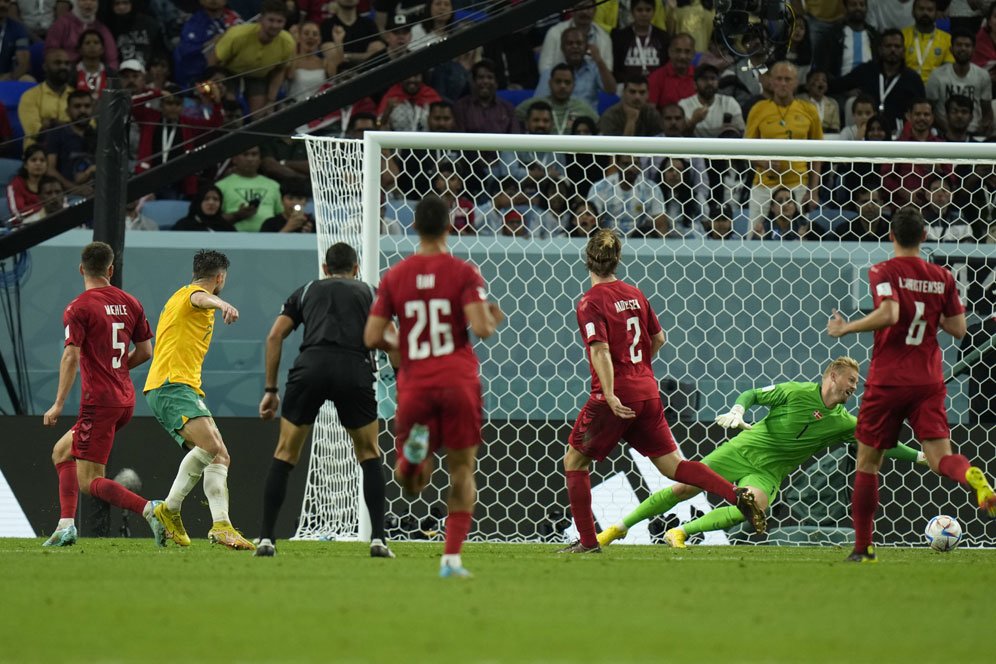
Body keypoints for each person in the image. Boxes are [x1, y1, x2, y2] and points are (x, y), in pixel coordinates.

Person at [560, 229, 766, 554]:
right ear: (617, 260)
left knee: (574, 460)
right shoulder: (634, 294)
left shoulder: (590, 302)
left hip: (615, 397)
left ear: (587, 259)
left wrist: (613, 392)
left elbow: (599, 350)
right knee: (674, 467)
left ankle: (588, 543)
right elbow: (659, 339)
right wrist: (637, 370)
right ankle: (735, 494)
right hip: (647, 391)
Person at [598, 357, 928, 548]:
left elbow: (880, 442)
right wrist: (738, 411)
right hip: (743, 448)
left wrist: (919, 457)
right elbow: (752, 393)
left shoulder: (844, 422)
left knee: (752, 506)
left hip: (770, 471)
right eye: (852, 380)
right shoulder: (796, 391)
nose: (855, 387)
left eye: (858, 382)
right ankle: (618, 528)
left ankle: (681, 532)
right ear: (832, 376)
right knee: (684, 487)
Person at [827, 208, 996, 562]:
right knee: (941, 459)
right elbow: (959, 329)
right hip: (928, 380)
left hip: (888, 380)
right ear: (923, 237)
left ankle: (862, 547)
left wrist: (847, 328)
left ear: (892, 236)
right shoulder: (942, 277)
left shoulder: (883, 271)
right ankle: (970, 476)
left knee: (867, 463)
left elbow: (889, 313)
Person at [363, 194, 504, 578]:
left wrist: (407, 342)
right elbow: (481, 329)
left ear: (414, 227)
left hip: (415, 384)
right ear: (449, 225)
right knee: (462, 470)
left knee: (410, 482)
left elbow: (373, 335)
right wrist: (494, 317)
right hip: (458, 380)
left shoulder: (394, 276)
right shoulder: (464, 272)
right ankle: (451, 560)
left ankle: (411, 459)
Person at [256, 243, 397, 558]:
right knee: (369, 453)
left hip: (311, 368)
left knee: (286, 453)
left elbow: (274, 335)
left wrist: (270, 390)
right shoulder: (372, 293)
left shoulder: (305, 291)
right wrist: (403, 379)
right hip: (354, 369)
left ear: (324, 267)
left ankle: (266, 539)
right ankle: (378, 540)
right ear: (356, 268)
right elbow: (393, 341)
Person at [40, 241, 167, 547]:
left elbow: (70, 356)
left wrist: (58, 403)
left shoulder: (79, 307)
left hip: (98, 402)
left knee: (89, 481)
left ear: (81, 269)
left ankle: (150, 510)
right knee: (61, 451)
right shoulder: (131, 302)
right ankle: (66, 526)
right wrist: (118, 370)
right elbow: (146, 351)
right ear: (111, 270)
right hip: (124, 399)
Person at [144, 250, 254, 550]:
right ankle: (168, 509)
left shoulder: (180, 297)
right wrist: (221, 303)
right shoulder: (192, 295)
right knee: (211, 447)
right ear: (220, 278)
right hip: (171, 385)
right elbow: (201, 298)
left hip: (184, 388)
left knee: (220, 456)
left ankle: (221, 526)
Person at [744, 61, 823, 230]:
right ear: (771, 81)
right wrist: (764, 164)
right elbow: (745, 152)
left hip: (798, 184)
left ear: (795, 82)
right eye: (778, 79)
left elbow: (818, 154)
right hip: (764, 186)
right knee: (755, 238)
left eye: (788, 79)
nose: (783, 83)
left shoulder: (809, 110)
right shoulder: (758, 109)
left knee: (799, 240)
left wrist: (813, 190)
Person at [926, 32, 993, 137]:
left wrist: (983, 131)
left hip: (973, 133)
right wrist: (948, 130)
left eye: (967, 45)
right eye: (959, 45)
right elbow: (929, 109)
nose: (963, 48)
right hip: (943, 134)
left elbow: (987, 111)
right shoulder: (937, 75)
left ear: (974, 50)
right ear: (951, 49)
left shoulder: (982, 75)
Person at [901, 0, 953, 83]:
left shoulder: (947, 39)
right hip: (907, 86)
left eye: (930, 10)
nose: (925, 13)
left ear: (936, 13)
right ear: (913, 12)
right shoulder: (902, 36)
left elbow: (947, 70)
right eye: (921, 9)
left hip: (935, 87)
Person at [5, 144, 47, 224]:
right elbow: (18, 213)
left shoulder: (51, 182)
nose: (38, 163)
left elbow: (61, 204)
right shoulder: (16, 184)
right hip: (25, 228)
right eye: (33, 160)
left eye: (42, 160)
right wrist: (43, 210)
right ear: (25, 165)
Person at [171, 185, 236, 231]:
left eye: (216, 199)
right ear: (198, 202)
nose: (211, 203)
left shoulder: (226, 227)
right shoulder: (183, 226)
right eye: (206, 199)